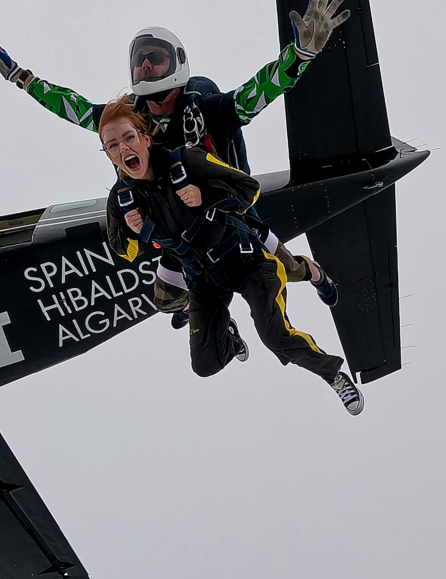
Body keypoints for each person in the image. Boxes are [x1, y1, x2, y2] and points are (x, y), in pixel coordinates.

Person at [0, 0, 344, 324]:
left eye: (155, 57)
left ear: (177, 62)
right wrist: (22, 77)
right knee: (166, 299)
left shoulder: (207, 109)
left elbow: (258, 91)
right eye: (140, 60)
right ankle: (209, 314)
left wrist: (300, 55)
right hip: (178, 222)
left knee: (286, 269)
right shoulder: (129, 121)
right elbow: (71, 106)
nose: (146, 65)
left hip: (227, 214)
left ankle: (315, 274)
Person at [99, 97, 364, 415]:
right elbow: (125, 251)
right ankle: (230, 335)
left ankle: (332, 373)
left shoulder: (186, 161)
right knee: (205, 364)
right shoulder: (122, 200)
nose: (123, 149)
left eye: (128, 137)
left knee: (276, 332)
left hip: (247, 259)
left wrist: (206, 196)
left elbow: (248, 187)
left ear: (145, 139)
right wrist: (135, 231)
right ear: (109, 155)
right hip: (204, 281)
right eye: (113, 145)